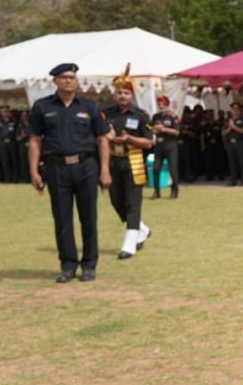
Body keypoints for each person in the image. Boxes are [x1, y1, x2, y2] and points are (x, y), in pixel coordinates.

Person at [27, 62, 112, 282]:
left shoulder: (90, 107)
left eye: (72, 77)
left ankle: (89, 265)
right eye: (63, 77)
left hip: (86, 167)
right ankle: (68, 265)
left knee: (89, 218)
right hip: (56, 168)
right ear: (54, 81)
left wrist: (104, 170)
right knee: (62, 219)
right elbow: (35, 140)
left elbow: (102, 140)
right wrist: (34, 171)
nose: (68, 80)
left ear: (76, 81)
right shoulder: (42, 107)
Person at [105, 66, 153, 259]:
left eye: (126, 92)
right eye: (119, 93)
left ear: (131, 95)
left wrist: (129, 140)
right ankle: (141, 228)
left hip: (133, 161)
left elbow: (148, 142)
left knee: (133, 203)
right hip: (112, 161)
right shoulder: (104, 114)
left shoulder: (141, 116)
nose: (122, 96)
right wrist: (105, 136)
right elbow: (97, 135)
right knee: (116, 200)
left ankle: (129, 244)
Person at [151, 95, 180, 198]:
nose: (161, 106)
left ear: (167, 105)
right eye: (159, 104)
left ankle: (174, 191)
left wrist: (163, 129)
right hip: (159, 145)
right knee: (156, 168)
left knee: (172, 169)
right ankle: (156, 191)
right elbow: (151, 127)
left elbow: (177, 132)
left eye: (163, 104)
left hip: (170, 145)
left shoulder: (173, 116)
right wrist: (154, 129)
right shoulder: (155, 116)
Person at [222, 103, 243, 186]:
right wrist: (230, 128)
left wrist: (234, 127)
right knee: (232, 162)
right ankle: (233, 180)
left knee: (242, 162)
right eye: (233, 109)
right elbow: (223, 133)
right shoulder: (227, 121)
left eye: (236, 109)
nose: (234, 111)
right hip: (230, 143)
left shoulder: (242, 120)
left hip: (240, 142)